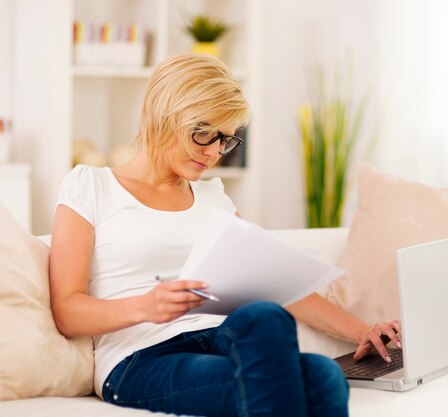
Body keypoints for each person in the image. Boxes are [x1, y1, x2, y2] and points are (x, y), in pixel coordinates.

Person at [49, 53, 401, 417]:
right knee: (313, 376)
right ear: (165, 114)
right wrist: (145, 306)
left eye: (226, 140)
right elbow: (67, 311)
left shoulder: (213, 196)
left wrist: (362, 331)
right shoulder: (91, 186)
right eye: (204, 133)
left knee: (288, 338)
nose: (215, 151)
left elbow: (274, 283)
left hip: (219, 338)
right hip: (140, 356)